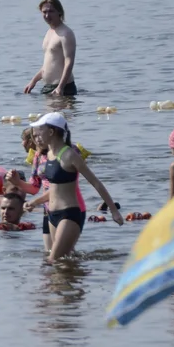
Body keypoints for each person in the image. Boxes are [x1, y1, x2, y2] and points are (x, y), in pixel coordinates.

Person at [25, 112, 123, 261]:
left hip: (69, 214)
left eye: (41, 130)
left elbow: (95, 182)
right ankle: (77, 279)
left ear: (51, 132)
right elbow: (55, 190)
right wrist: (35, 202)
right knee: (64, 263)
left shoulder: (69, 155)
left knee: (53, 260)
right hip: (51, 215)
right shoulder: (49, 154)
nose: (37, 134)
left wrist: (114, 211)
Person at [23, 0, 77, 96]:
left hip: (63, 88)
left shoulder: (66, 33)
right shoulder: (49, 32)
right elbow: (49, 64)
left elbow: (69, 62)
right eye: (44, 12)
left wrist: (60, 87)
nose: (47, 15)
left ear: (59, 12)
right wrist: (33, 81)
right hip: (48, 87)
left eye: (51, 11)